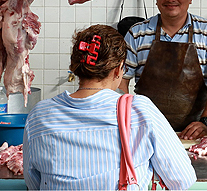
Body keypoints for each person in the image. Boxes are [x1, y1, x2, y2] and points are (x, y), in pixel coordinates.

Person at [23, 25, 196, 190]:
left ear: (74, 67)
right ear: (118, 70)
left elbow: (34, 183)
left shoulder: (40, 114)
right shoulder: (139, 110)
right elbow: (181, 179)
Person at [119, 0, 207, 140]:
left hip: (194, 132)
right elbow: (121, 80)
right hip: (146, 128)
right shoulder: (137, 33)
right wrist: (126, 119)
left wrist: (206, 122)